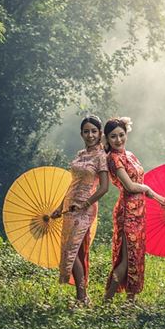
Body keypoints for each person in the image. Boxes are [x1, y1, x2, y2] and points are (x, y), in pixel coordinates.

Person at [103, 117, 165, 302]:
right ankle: (106, 301)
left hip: (139, 210)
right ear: (107, 139)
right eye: (113, 136)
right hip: (128, 212)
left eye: (121, 135)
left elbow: (140, 182)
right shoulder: (113, 159)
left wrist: (156, 198)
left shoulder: (130, 155)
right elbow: (131, 186)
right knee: (126, 258)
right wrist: (150, 191)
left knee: (137, 256)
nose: (118, 140)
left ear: (126, 134)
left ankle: (130, 303)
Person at [51, 115, 109, 305]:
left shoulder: (101, 156)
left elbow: (104, 188)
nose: (90, 135)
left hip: (85, 208)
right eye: (86, 131)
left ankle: (82, 297)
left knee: (72, 251)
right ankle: (81, 296)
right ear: (81, 133)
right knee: (70, 250)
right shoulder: (79, 154)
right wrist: (61, 207)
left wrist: (84, 204)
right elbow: (72, 184)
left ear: (100, 133)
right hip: (70, 206)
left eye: (94, 131)